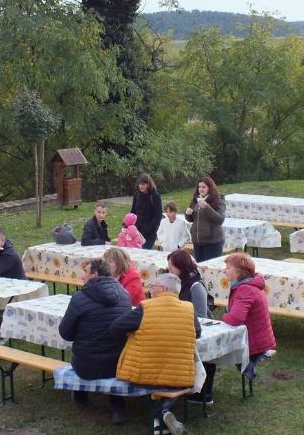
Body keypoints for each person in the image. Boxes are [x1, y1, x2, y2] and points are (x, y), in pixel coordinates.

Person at [110, 273, 201, 435]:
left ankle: (161, 414)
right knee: (174, 385)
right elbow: (197, 333)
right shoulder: (189, 309)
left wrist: (130, 340)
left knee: (151, 386)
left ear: (164, 289)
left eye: (154, 286)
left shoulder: (145, 308)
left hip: (143, 375)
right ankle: (164, 413)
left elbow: (115, 327)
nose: (150, 290)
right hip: (179, 376)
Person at [59, 259, 132, 424]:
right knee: (113, 357)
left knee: (82, 354)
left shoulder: (79, 298)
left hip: (87, 365)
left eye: (86, 272)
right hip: (118, 364)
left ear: (95, 274)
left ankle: (81, 396)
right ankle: (117, 406)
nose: (82, 276)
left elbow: (66, 333)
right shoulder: (124, 295)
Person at [166, 249, 214, 407]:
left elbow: (200, 315)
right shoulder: (177, 283)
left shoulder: (195, 286)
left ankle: (202, 392)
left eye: (172, 265)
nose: (168, 268)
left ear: (181, 266)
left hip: (199, 330)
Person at [221, 253, 276, 386]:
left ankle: (252, 363)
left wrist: (224, 316)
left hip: (253, 341)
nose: (224, 270)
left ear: (239, 272)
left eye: (228, 267)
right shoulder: (248, 285)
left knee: (225, 351)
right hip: (260, 337)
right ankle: (251, 362)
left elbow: (235, 318)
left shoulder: (245, 289)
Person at [185, 177, 226, 262]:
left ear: (210, 188)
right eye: (199, 187)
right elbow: (192, 219)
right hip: (197, 242)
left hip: (212, 242)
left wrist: (206, 207)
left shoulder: (219, 200)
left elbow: (220, 219)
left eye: (204, 187)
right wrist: (188, 214)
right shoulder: (196, 199)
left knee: (211, 270)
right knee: (200, 268)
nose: (201, 189)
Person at [130, 173, 162, 250]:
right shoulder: (137, 195)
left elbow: (158, 216)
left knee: (145, 252)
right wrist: (129, 225)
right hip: (137, 231)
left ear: (148, 184)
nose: (141, 186)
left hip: (149, 233)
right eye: (140, 184)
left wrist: (148, 229)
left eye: (144, 184)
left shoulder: (155, 196)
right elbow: (133, 211)